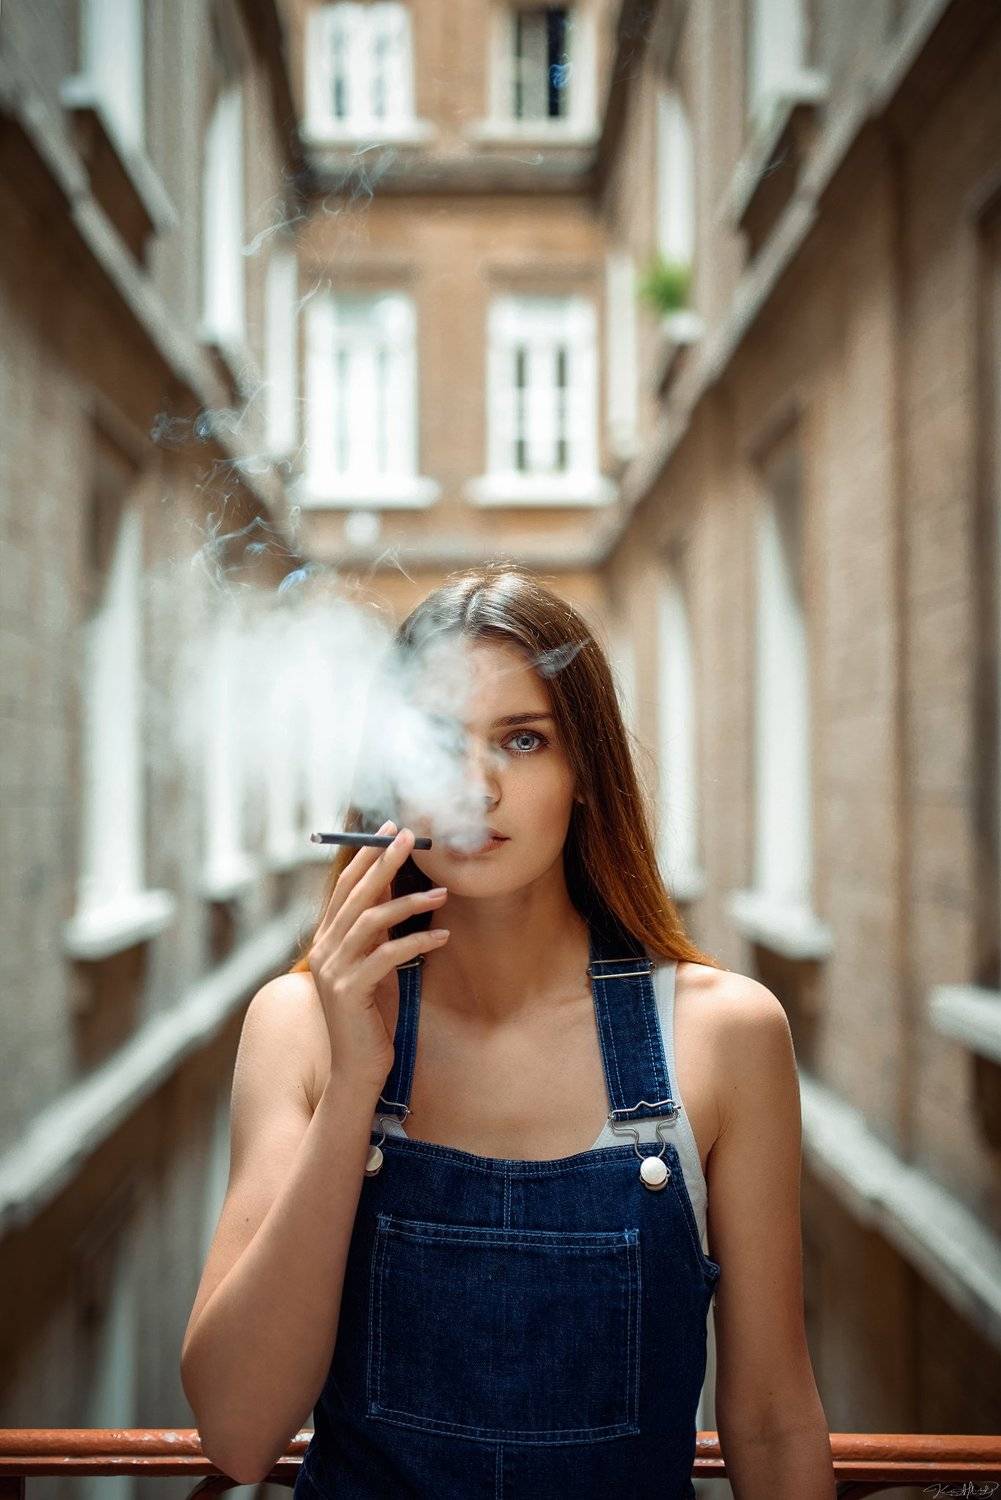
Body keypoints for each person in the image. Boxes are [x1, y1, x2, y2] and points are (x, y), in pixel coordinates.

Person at [180, 564, 836, 1498]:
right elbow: (239, 1434)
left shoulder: (724, 1036)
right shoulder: (299, 1026)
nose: (476, 788)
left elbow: (771, 1422)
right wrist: (352, 1091)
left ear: (584, 776)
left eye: (523, 741)